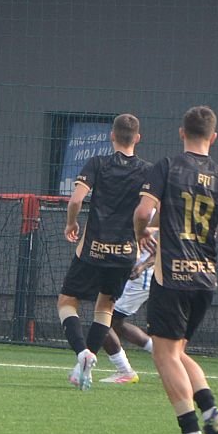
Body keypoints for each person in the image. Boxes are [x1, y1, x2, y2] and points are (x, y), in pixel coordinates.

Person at [134, 105, 218, 434]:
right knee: (178, 352)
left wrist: (141, 234)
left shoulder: (167, 166)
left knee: (164, 354)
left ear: (182, 132)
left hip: (172, 276)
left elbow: (143, 212)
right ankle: (211, 410)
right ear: (214, 137)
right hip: (204, 278)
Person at [58, 114, 150, 391]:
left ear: (112, 135)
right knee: (105, 308)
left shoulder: (98, 163)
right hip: (125, 252)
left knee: (67, 301)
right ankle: (85, 363)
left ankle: (82, 353)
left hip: (93, 249)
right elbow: (150, 211)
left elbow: (76, 200)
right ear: (137, 138)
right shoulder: (148, 171)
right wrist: (142, 234)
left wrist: (71, 223)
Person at [99, 234, 157, 384]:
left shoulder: (155, 221)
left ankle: (125, 371)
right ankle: (164, 354)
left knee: (102, 322)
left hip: (139, 278)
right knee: (116, 324)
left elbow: (164, 249)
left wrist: (142, 266)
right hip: (128, 274)